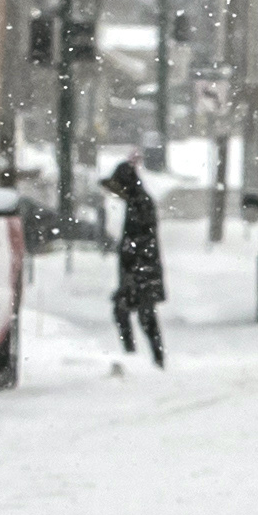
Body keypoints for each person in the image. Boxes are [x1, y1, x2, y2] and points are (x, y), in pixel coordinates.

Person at [103, 153, 168, 366]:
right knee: (133, 312)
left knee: (142, 315)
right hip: (138, 271)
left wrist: (131, 258)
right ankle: (146, 356)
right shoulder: (136, 202)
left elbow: (141, 239)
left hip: (141, 271)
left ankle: (146, 356)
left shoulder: (141, 203)